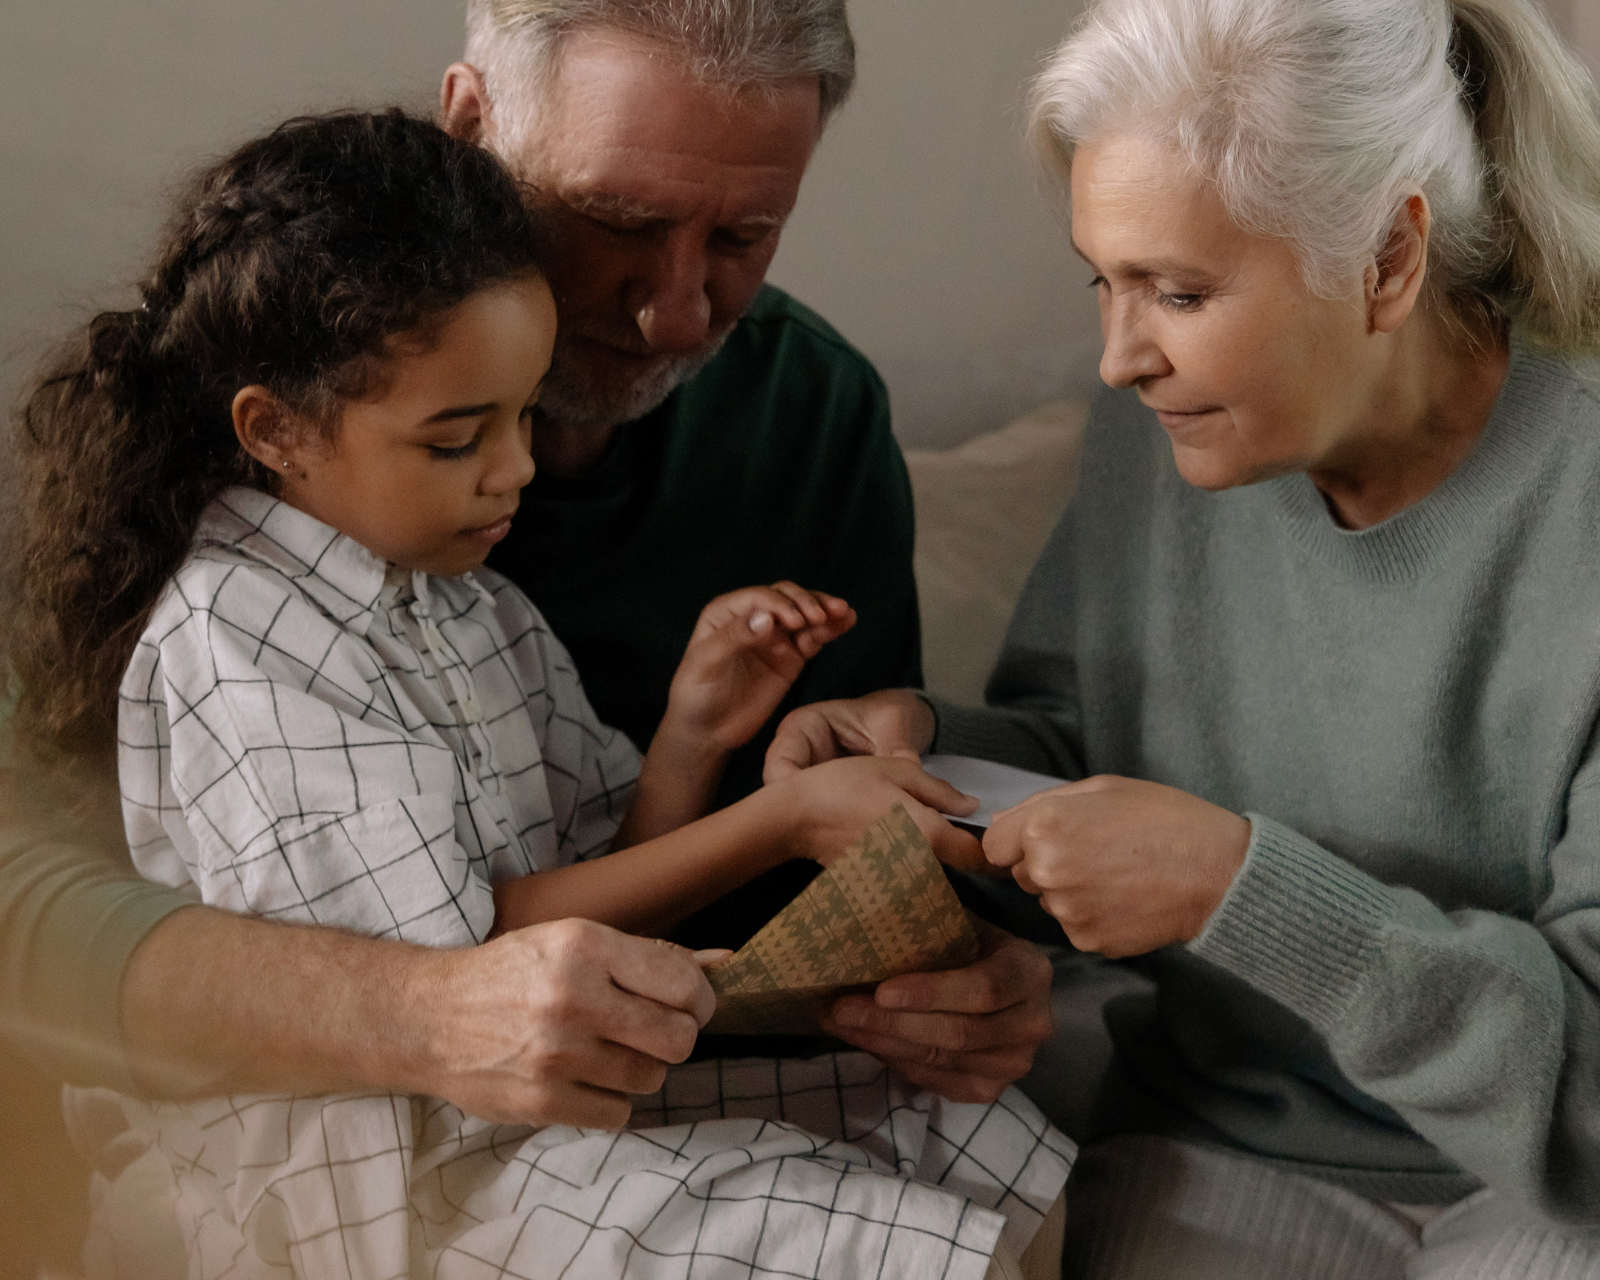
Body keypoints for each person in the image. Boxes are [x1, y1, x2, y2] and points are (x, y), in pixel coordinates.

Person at [7, 110, 1070, 1279]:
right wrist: (775, 821)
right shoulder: (241, 633)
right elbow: (467, 980)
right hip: (398, 1164)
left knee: (983, 1135)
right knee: (882, 1247)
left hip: (530, 1103)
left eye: (525, 414)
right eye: (460, 437)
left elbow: (595, 909)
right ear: (278, 430)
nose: (514, 468)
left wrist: (689, 735)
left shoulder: (470, 600)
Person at [767, 0, 1600, 1274]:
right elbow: (1103, 752)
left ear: (1387, 258)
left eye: (1180, 291)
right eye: (1102, 282)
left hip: (1548, 1183)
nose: (1115, 359)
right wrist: (933, 755)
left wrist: (1236, 885)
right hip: (1225, 1134)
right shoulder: (1168, 442)